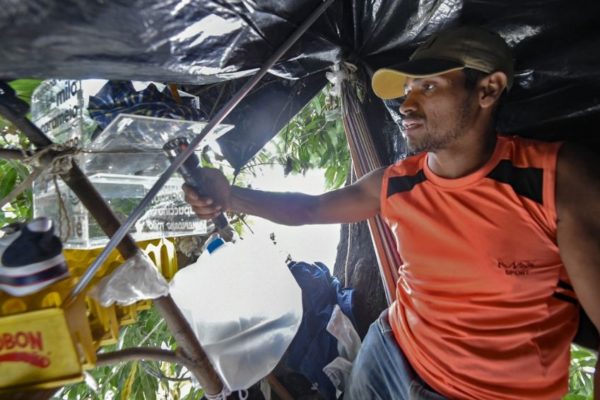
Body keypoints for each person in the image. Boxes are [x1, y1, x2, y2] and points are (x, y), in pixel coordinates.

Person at [184, 26, 600, 400]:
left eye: (429, 88)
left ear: (488, 90)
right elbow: (309, 208)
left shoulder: (553, 181)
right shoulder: (397, 182)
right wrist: (230, 196)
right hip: (389, 355)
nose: (406, 105)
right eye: (408, 90)